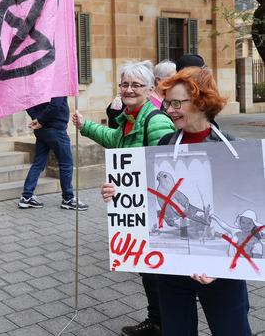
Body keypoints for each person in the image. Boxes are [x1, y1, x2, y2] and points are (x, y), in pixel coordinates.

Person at [101, 66, 252, 335]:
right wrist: (118, 193)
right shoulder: (164, 144)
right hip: (171, 271)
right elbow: (143, 197)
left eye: (177, 103)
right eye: (168, 103)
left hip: (221, 274)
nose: (169, 109)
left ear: (202, 102)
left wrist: (223, 267)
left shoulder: (235, 148)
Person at [72, 60, 175, 336]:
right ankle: (157, 321)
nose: (129, 89)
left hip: (155, 214)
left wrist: (126, 190)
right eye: (125, 84)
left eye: (136, 85)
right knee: (147, 270)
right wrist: (85, 125)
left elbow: (165, 174)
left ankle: (164, 323)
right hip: (139, 212)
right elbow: (115, 139)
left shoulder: (155, 120)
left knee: (157, 273)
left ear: (150, 88)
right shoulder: (130, 118)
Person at [18, 97, 88, 210]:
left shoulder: (37, 81)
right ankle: (68, 199)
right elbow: (56, 104)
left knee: (38, 163)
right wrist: (40, 120)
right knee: (66, 163)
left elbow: (27, 100)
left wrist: (38, 118)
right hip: (55, 129)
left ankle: (26, 197)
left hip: (42, 129)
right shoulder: (56, 81)